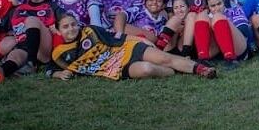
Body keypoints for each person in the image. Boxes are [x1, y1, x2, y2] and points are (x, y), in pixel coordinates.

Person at [51, 12, 216, 80]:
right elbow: (50, 68)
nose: (71, 29)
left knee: (164, 57)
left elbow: (115, 36)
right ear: (58, 31)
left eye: (73, 24)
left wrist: (139, 40)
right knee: (147, 69)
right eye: (65, 27)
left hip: (125, 49)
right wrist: (58, 74)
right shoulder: (59, 53)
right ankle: (178, 70)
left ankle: (201, 69)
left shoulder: (89, 30)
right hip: (114, 68)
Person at [193, 0, 249, 70]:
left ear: (224, 1)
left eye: (219, 4)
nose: (217, 8)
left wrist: (221, 22)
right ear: (208, 7)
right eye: (213, 6)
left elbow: (244, 30)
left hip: (238, 48)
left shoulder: (234, 10)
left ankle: (231, 59)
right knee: (201, 16)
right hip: (217, 51)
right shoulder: (207, 17)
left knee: (217, 17)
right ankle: (203, 59)